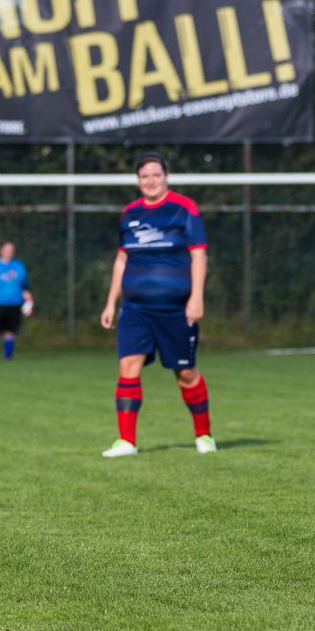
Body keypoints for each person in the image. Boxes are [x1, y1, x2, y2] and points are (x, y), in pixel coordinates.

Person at [99, 153, 216, 458]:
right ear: (138, 181)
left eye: (155, 175)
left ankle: (204, 434)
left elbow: (199, 255)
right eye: (144, 176)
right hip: (135, 309)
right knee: (128, 367)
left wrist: (196, 296)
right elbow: (122, 259)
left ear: (166, 177)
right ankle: (126, 441)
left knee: (186, 374)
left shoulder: (184, 208)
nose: (150, 181)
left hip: (176, 309)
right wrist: (111, 302)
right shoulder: (129, 214)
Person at [0, 240, 34, 361]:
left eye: (11, 250)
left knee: (11, 331)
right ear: (1, 250)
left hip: (15, 303)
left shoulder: (19, 266)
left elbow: (25, 287)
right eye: (7, 249)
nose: (9, 252)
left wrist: (29, 302)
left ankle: (8, 356)